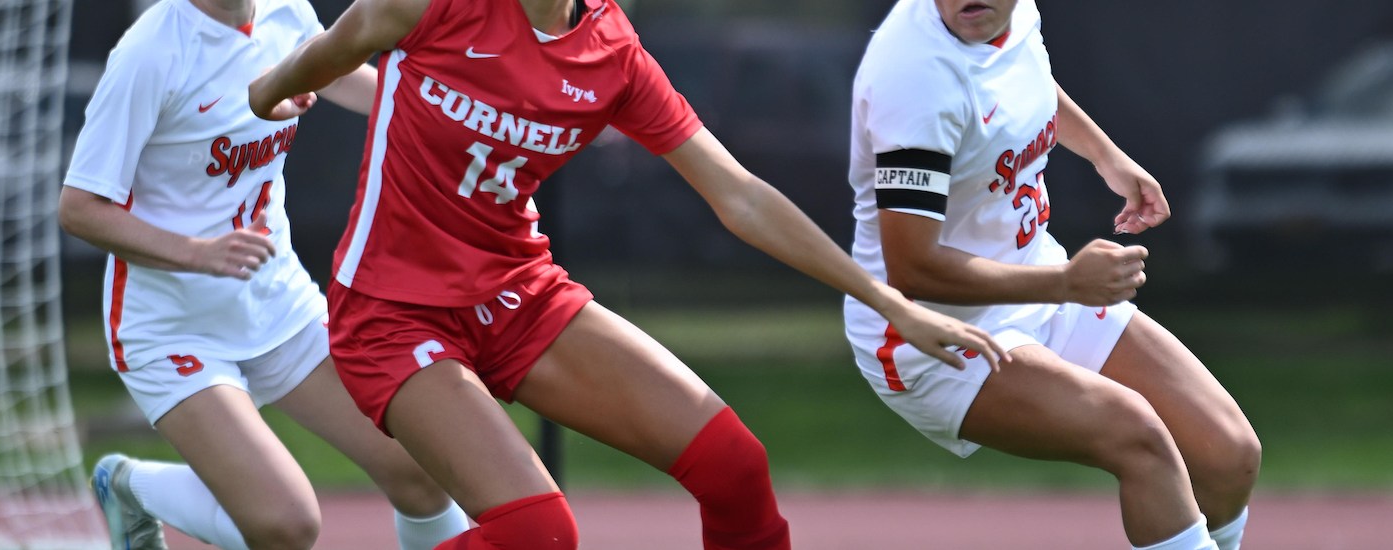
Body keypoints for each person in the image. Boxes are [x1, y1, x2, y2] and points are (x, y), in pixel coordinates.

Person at [243, 0, 1007, 547]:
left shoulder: (611, 52)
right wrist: (267, 93)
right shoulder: (431, 7)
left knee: (735, 467)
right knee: (537, 532)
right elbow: (326, 53)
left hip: (520, 298)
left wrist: (885, 300)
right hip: (392, 314)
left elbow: (738, 195)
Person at [843, 1, 1262, 549]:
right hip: (928, 335)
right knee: (1136, 436)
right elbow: (911, 271)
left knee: (1227, 451)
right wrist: (1065, 283)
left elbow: (1027, 79)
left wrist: (1106, 156)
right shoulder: (916, 81)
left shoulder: (1012, 16)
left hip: (1034, 281)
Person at [57, 0, 470, 548]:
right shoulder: (150, 51)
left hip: (277, 302)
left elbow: (336, 73)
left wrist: (443, 117)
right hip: (170, 329)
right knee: (289, 524)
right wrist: (197, 253)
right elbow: (79, 207)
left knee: (423, 472)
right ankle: (131, 485)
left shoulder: (287, 12)